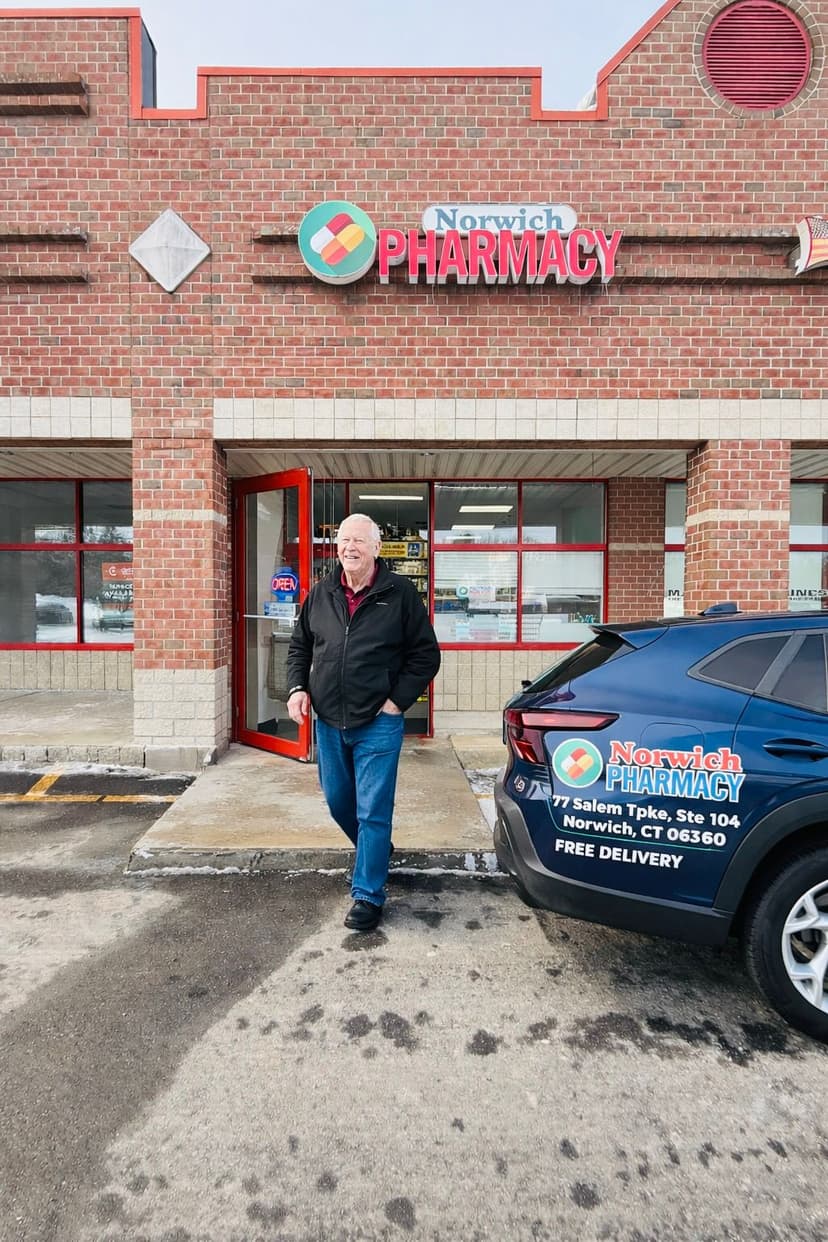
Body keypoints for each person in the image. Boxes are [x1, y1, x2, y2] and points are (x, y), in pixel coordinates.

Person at [286, 514, 441, 931]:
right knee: (339, 801)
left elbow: (426, 655)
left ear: (375, 548)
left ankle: (368, 894)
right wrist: (297, 688)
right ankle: (376, 851)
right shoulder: (321, 594)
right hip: (329, 721)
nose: (349, 547)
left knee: (373, 810)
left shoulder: (400, 593)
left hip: (378, 722)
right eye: (343, 540)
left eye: (358, 540)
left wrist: (396, 702)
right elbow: (300, 646)